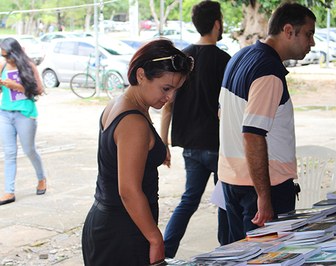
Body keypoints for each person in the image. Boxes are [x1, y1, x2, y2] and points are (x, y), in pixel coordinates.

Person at [81, 39, 193, 265]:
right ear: (141, 75)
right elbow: (129, 191)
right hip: (122, 230)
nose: (170, 97)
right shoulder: (133, 121)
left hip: (111, 223)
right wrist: (155, 238)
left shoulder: (122, 103)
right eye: (166, 88)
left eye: (175, 90)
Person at [218, 2, 316, 243]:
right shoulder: (268, 70)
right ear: (288, 30)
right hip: (262, 186)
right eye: (309, 34)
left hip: (233, 181)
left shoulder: (241, 56)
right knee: (268, 256)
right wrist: (264, 196)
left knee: (241, 255)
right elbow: (252, 134)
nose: (312, 43)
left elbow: (222, 115)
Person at [160, 0, 231, 258]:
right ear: (216, 24)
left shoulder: (181, 59)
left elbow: (167, 106)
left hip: (190, 145)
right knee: (226, 203)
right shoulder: (227, 61)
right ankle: (228, 253)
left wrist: (163, 143)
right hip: (219, 147)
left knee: (188, 200)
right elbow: (229, 110)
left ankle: (165, 253)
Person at [0, 38, 46, 206]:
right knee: (9, 153)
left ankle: (42, 178)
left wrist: (15, 85)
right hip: (5, 113)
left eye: (6, 56)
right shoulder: (3, 66)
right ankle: (9, 191)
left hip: (25, 114)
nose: (5, 59)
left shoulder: (28, 66)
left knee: (29, 150)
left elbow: (39, 90)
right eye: (2, 56)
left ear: (14, 53)